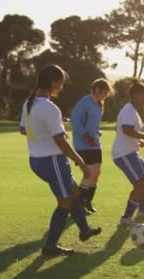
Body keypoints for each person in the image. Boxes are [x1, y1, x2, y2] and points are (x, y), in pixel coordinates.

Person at [19, 64, 101, 256]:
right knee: (65, 200)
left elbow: (23, 129)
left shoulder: (29, 103)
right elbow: (60, 141)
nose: (62, 88)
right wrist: (81, 163)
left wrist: (43, 132)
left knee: (73, 192)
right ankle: (50, 245)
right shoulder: (49, 108)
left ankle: (84, 230)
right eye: (61, 84)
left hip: (37, 159)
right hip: (52, 160)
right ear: (53, 82)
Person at [112, 81, 144, 226]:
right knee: (140, 183)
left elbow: (119, 129)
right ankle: (126, 218)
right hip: (123, 153)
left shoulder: (132, 111)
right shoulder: (129, 111)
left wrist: (137, 141)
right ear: (135, 95)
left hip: (131, 151)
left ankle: (143, 211)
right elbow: (126, 129)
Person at [70, 79, 114, 213]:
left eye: (107, 92)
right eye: (104, 91)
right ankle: (78, 205)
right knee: (90, 173)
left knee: (96, 174)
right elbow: (74, 119)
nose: (106, 95)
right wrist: (86, 135)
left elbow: (91, 123)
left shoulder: (99, 104)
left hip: (95, 144)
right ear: (96, 89)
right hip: (83, 144)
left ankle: (87, 202)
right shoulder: (85, 101)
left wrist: (95, 132)